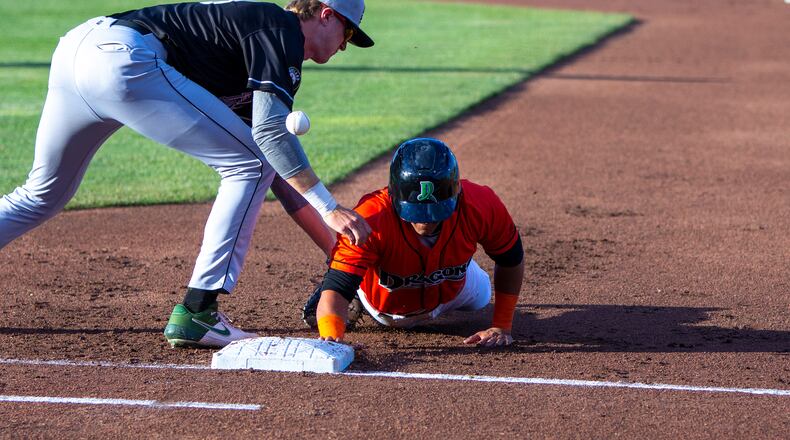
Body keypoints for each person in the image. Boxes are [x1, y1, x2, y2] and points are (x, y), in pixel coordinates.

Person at [0, 0, 375, 348]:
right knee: (249, 164)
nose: (344, 45)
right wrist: (330, 207)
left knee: (42, 194)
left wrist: (336, 255)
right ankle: (198, 311)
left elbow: (278, 169)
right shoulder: (281, 29)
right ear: (326, 14)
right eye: (348, 33)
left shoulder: (254, 48)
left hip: (78, 49)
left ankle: (199, 312)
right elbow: (269, 137)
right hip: (122, 59)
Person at [303, 138, 525, 346]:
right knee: (355, 290)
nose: (425, 221)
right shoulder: (371, 216)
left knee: (482, 297)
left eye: (436, 211)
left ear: (457, 192)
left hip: (453, 293)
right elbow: (338, 288)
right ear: (393, 194)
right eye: (416, 213)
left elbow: (511, 258)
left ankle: (457, 268)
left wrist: (502, 326)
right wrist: (332, 339)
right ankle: (358, 291)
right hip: (387, 309)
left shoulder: (481, 204)